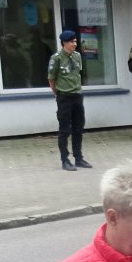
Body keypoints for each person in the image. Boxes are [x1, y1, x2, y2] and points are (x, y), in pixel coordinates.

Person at [48, 29, 93, 172]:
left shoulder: (77, 56)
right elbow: (51, 78)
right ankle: (65, 160)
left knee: (78, 128)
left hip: (77, 96)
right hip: (64, 97)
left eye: (75, 41)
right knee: (64, 130)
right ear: (64, 43)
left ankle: (78, 158)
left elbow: (77, 74)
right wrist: (58, 93)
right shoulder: (56, 58)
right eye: (72, 42)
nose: (75, 44)